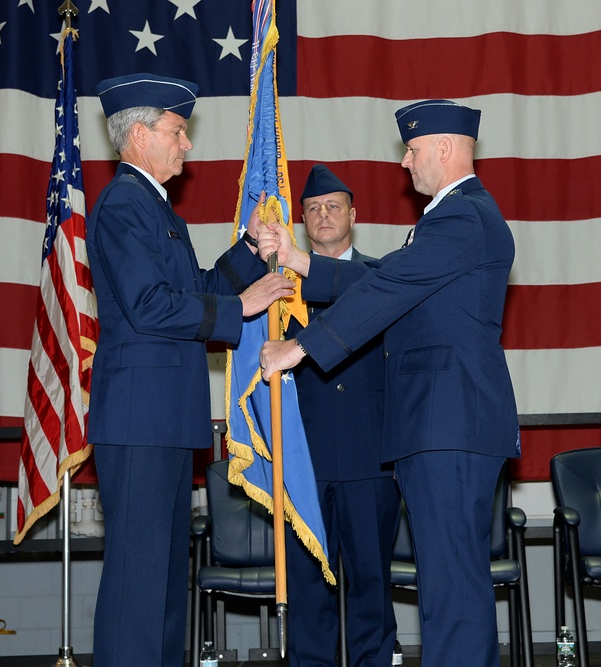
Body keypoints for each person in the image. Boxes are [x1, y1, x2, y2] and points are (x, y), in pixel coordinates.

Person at [259, 100, 520, 667]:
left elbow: (389, 289)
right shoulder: (456, 217)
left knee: (451, 591)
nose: (406, 161)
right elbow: (385, 277)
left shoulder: (462, 215)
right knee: (450, 586)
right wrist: (300, 263)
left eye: (414, 148)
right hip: (441, 424)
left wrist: (299, 347)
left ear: (445, 149)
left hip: (447, 423)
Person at [85, 72, 293, 667]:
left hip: (165, 422)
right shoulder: (126, 203)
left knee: (165, 586)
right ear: (142, 135)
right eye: (178, 131)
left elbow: (192, 290)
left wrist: (250, 255)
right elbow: (152, 306)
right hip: (141, 422)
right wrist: (240, 308)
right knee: (138, 588)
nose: (188, 145)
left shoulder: (151, 205)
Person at [285, 164, 400, 667]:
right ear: (302, 221)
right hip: (304, 457)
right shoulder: (280, 289)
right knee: (308, 588)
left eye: (333, 206)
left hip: (368, 456)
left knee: (371, 582)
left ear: (354, 214)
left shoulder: (381, 277)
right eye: (312, 208)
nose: (323, 215)